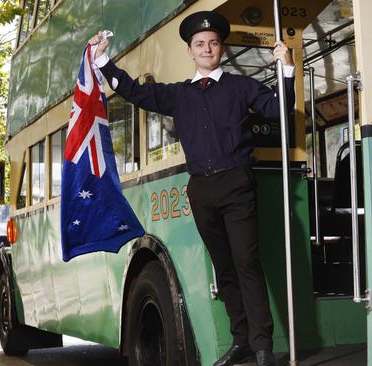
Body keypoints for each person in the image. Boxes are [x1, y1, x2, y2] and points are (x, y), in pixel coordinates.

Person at [90, 10, 295, 366]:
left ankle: (263, 347)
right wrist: (104, 60)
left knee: (247, 263)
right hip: (201, 190)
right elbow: (135, 92)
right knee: (225, 268)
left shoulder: (241, 86)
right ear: (190, 51)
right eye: (199, 44)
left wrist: (287, 68)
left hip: (237, 184)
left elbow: (280, 110)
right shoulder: (178, 95)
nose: (206, 48)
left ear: (221, 49)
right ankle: (242, 340)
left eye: (213, 43)